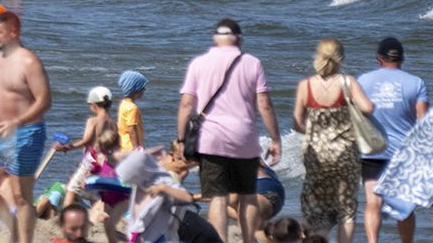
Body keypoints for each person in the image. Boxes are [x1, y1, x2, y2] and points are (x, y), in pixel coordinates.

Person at [177, 18, 282, 243]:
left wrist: (181, 138)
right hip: (243, 137)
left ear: (215, 39)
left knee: (218, 197)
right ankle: (248, 240)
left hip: (210, 139)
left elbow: (186, 104)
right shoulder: (252, 62)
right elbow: (263, 104)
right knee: (247, 196)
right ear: (239, 38)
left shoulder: (199, 63)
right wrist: (275, 138)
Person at [294, 38, 376, 243]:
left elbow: (297, 123)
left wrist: (316, 132)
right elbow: (368, 108)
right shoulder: (347, 82)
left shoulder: (306, 85)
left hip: (316, 154)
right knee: (346, 210)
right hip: (345, 154)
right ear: (341, 58)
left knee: (317, 208)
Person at [0, 10, 51, 243]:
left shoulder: (29, 61)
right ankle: (12, 229)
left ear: (14, 32)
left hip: (25, 132)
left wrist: (17, 121)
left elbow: (44, 100)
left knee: (21, 196)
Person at [361, 36, 428, 243]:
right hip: (403, 154)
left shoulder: (363, 81)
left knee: (373, 203)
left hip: (372, 152)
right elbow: (422, 122)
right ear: (402, 59)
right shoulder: (416, 83)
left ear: (379, 59)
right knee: (404, 207)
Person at [119, 70, 149, 151]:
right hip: (130, 147)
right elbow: (132, 129)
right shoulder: (132, 108)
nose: (144, 90)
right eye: (142, 87)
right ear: (136, 89)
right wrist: (137, 149)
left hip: (122, 145)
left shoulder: (123, 103)